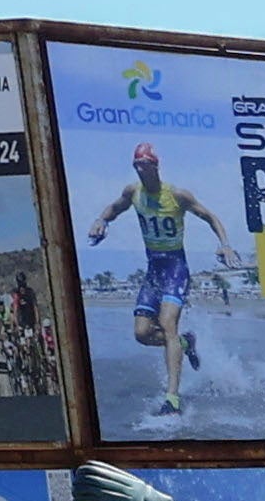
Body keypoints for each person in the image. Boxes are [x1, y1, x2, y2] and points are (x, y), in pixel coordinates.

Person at [76, 142, 232, 428]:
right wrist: (101, 221)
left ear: (155, 166)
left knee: (167, 322)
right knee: (142, 332)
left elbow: (210, 216)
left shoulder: (177, 196)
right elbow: (114, 208)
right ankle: (185, 342)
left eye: (144, 165)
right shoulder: (132, 192)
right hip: (154, 270)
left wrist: (225, 245)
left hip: (176, 267)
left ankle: (172, 398)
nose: (139, 170)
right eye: (136, 165)